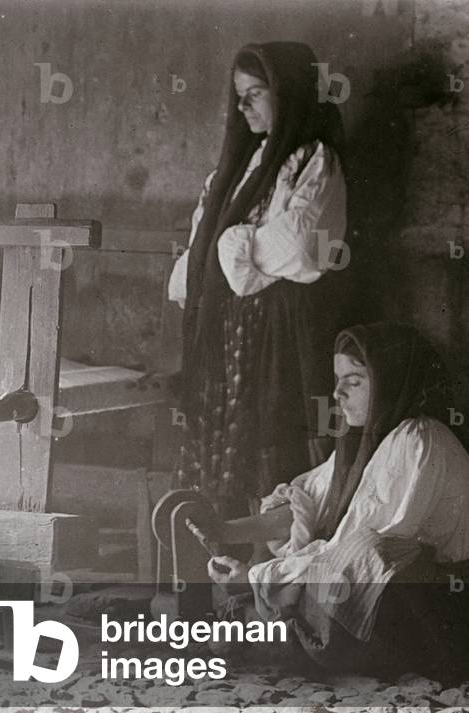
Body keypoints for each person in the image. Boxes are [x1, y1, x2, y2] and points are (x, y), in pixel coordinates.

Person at [191, 322, 469, 674]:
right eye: (337, 380)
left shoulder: (419, 439)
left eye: (354, 381)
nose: (337, 394)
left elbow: (363, 545)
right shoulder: (363, 442)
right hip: (403, 594)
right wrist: (224, 532)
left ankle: (271, 631)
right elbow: (306, 499)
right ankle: (265, 624)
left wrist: (258, 577)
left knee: (361, 554)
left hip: (451, 604)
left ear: (388, 382)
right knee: (326, 555)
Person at [167, 42, 348, 523]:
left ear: (286, 95)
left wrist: (231, 245)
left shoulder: (314, 161)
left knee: (274, 443)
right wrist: (240, 249)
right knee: (225, 450)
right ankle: (226, 561)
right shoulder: (231, 172)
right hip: (226, 330)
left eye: (256, 93)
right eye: (238, 96)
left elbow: (304, 246)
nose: (243, 106)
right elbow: (199, 252)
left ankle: (274, 561)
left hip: (280, 331)